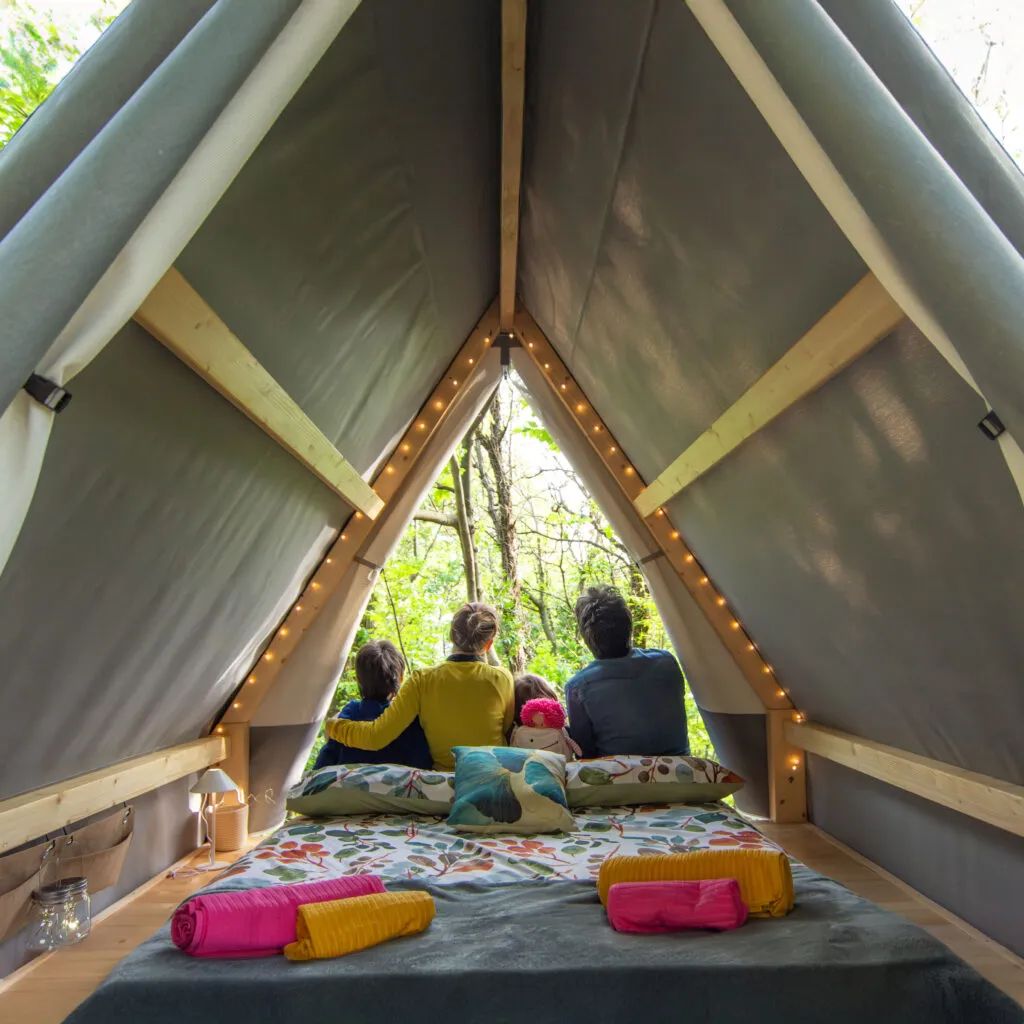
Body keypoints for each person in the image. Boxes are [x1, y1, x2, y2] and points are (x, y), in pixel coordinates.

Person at [325, 603, 514, 771]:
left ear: (451, 636)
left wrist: (333, 726)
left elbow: (376, 737)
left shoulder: (422, 680)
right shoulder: (502, 678)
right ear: (489, 644)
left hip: (445, 783)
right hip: (492, 776)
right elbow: (505, 729)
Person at [565, 584, 690, 759]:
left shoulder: (578, 687)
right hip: (684, 776)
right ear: (629, 626)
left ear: (586, 638)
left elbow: (584, 754)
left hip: (621, 781)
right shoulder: (666, 662)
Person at [313, 640, 431, 770]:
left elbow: (322, 767)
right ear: (401, 678)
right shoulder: (410, 720)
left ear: (358, 679)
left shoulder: (347, 715)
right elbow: (423, 766)